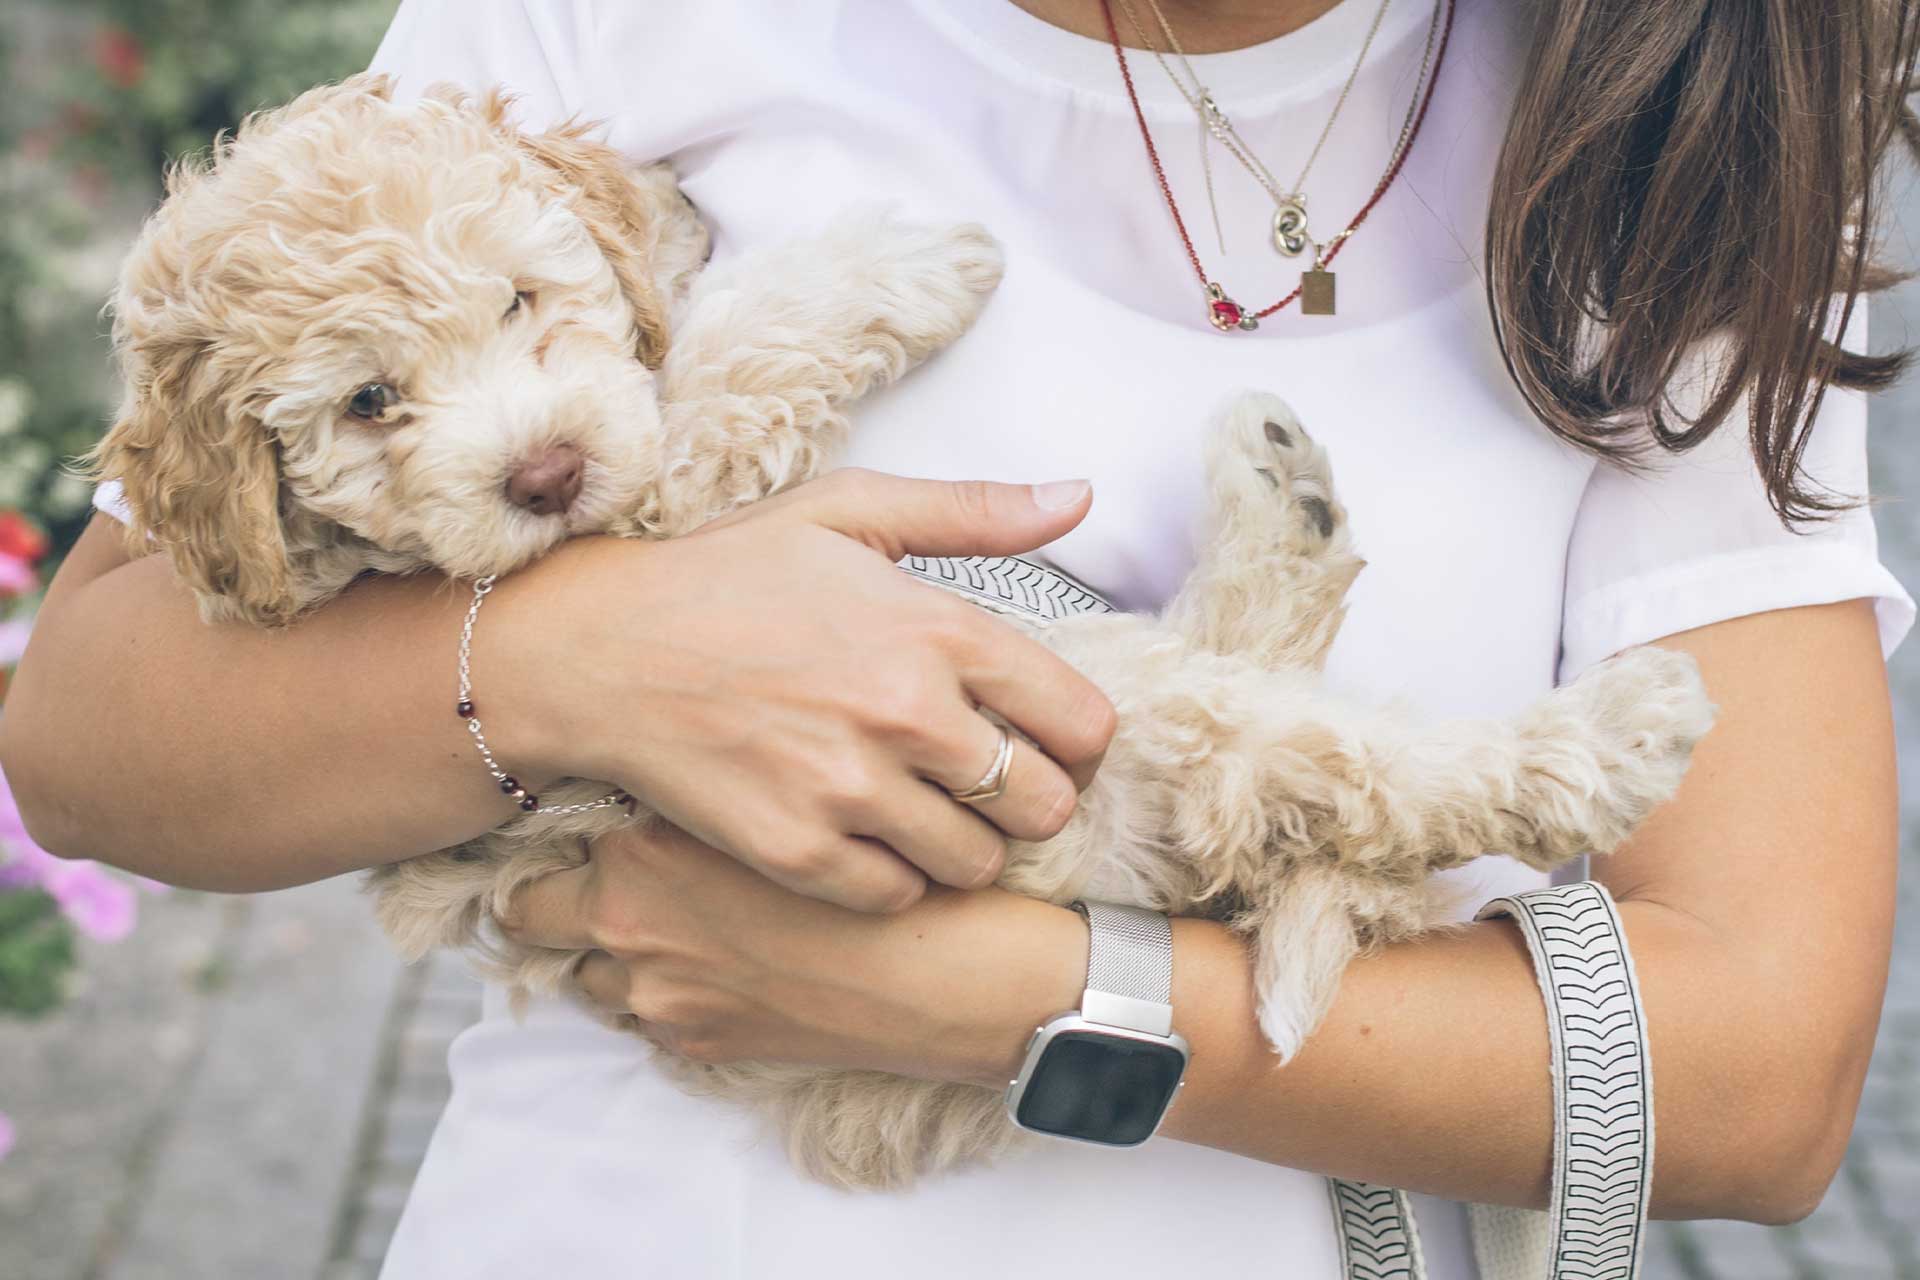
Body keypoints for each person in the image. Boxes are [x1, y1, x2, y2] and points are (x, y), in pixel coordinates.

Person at [5, 0, 1913, 1275]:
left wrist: (1011, 1000)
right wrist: (577, 658)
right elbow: (86, 729)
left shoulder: (1688, 132)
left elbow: (1763, 1072)